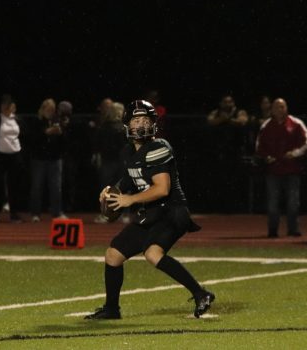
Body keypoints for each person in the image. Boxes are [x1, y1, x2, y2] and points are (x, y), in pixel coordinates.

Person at [85, 100, 214, 320]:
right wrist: (110, 191)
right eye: (137, 120)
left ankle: (201, 294)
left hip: (173, 211)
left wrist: (129, 200)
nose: (142, 124)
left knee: (153, 254)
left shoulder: (158, 147)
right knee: (113, 255)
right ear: (127, 124)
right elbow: (128, 180)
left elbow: (162, 189)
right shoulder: (129, 151)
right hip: (153, 212)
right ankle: (112, 309)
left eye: (146, 120)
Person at [255, 98, 307, 237]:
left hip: (292, 170)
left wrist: (295, 153)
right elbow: (259, 147)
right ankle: (272, 230)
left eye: (282, 106)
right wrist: (266, 157)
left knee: (293, 202)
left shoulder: (296, 124)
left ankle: (293, 229)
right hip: (273, 170)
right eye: (277, 107)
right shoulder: (266, 126)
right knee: (273, 202)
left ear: (286, 108)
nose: (280, 109)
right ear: (272, 109)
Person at [28, 98, 67, 221]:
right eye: (48, 109)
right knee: (37, 187)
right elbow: (32, 139)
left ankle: (57, 213)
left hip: (55, 159)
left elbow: (65, 142)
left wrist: (61, 133)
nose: (51, 111)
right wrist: (46, 133)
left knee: (56, 187)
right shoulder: (36, 121)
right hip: (39, 159)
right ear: (43, 109)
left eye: (52, 109)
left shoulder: (58, 121)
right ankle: (35, 214)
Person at [0, 94, 24, 222]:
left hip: (15, 155)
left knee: (14, 185)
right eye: (3, 106)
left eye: (7, 106)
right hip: (0, 155)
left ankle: (14, 214)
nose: (4, 108)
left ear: (12, 107)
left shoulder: (18, 120)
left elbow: (23, 135)